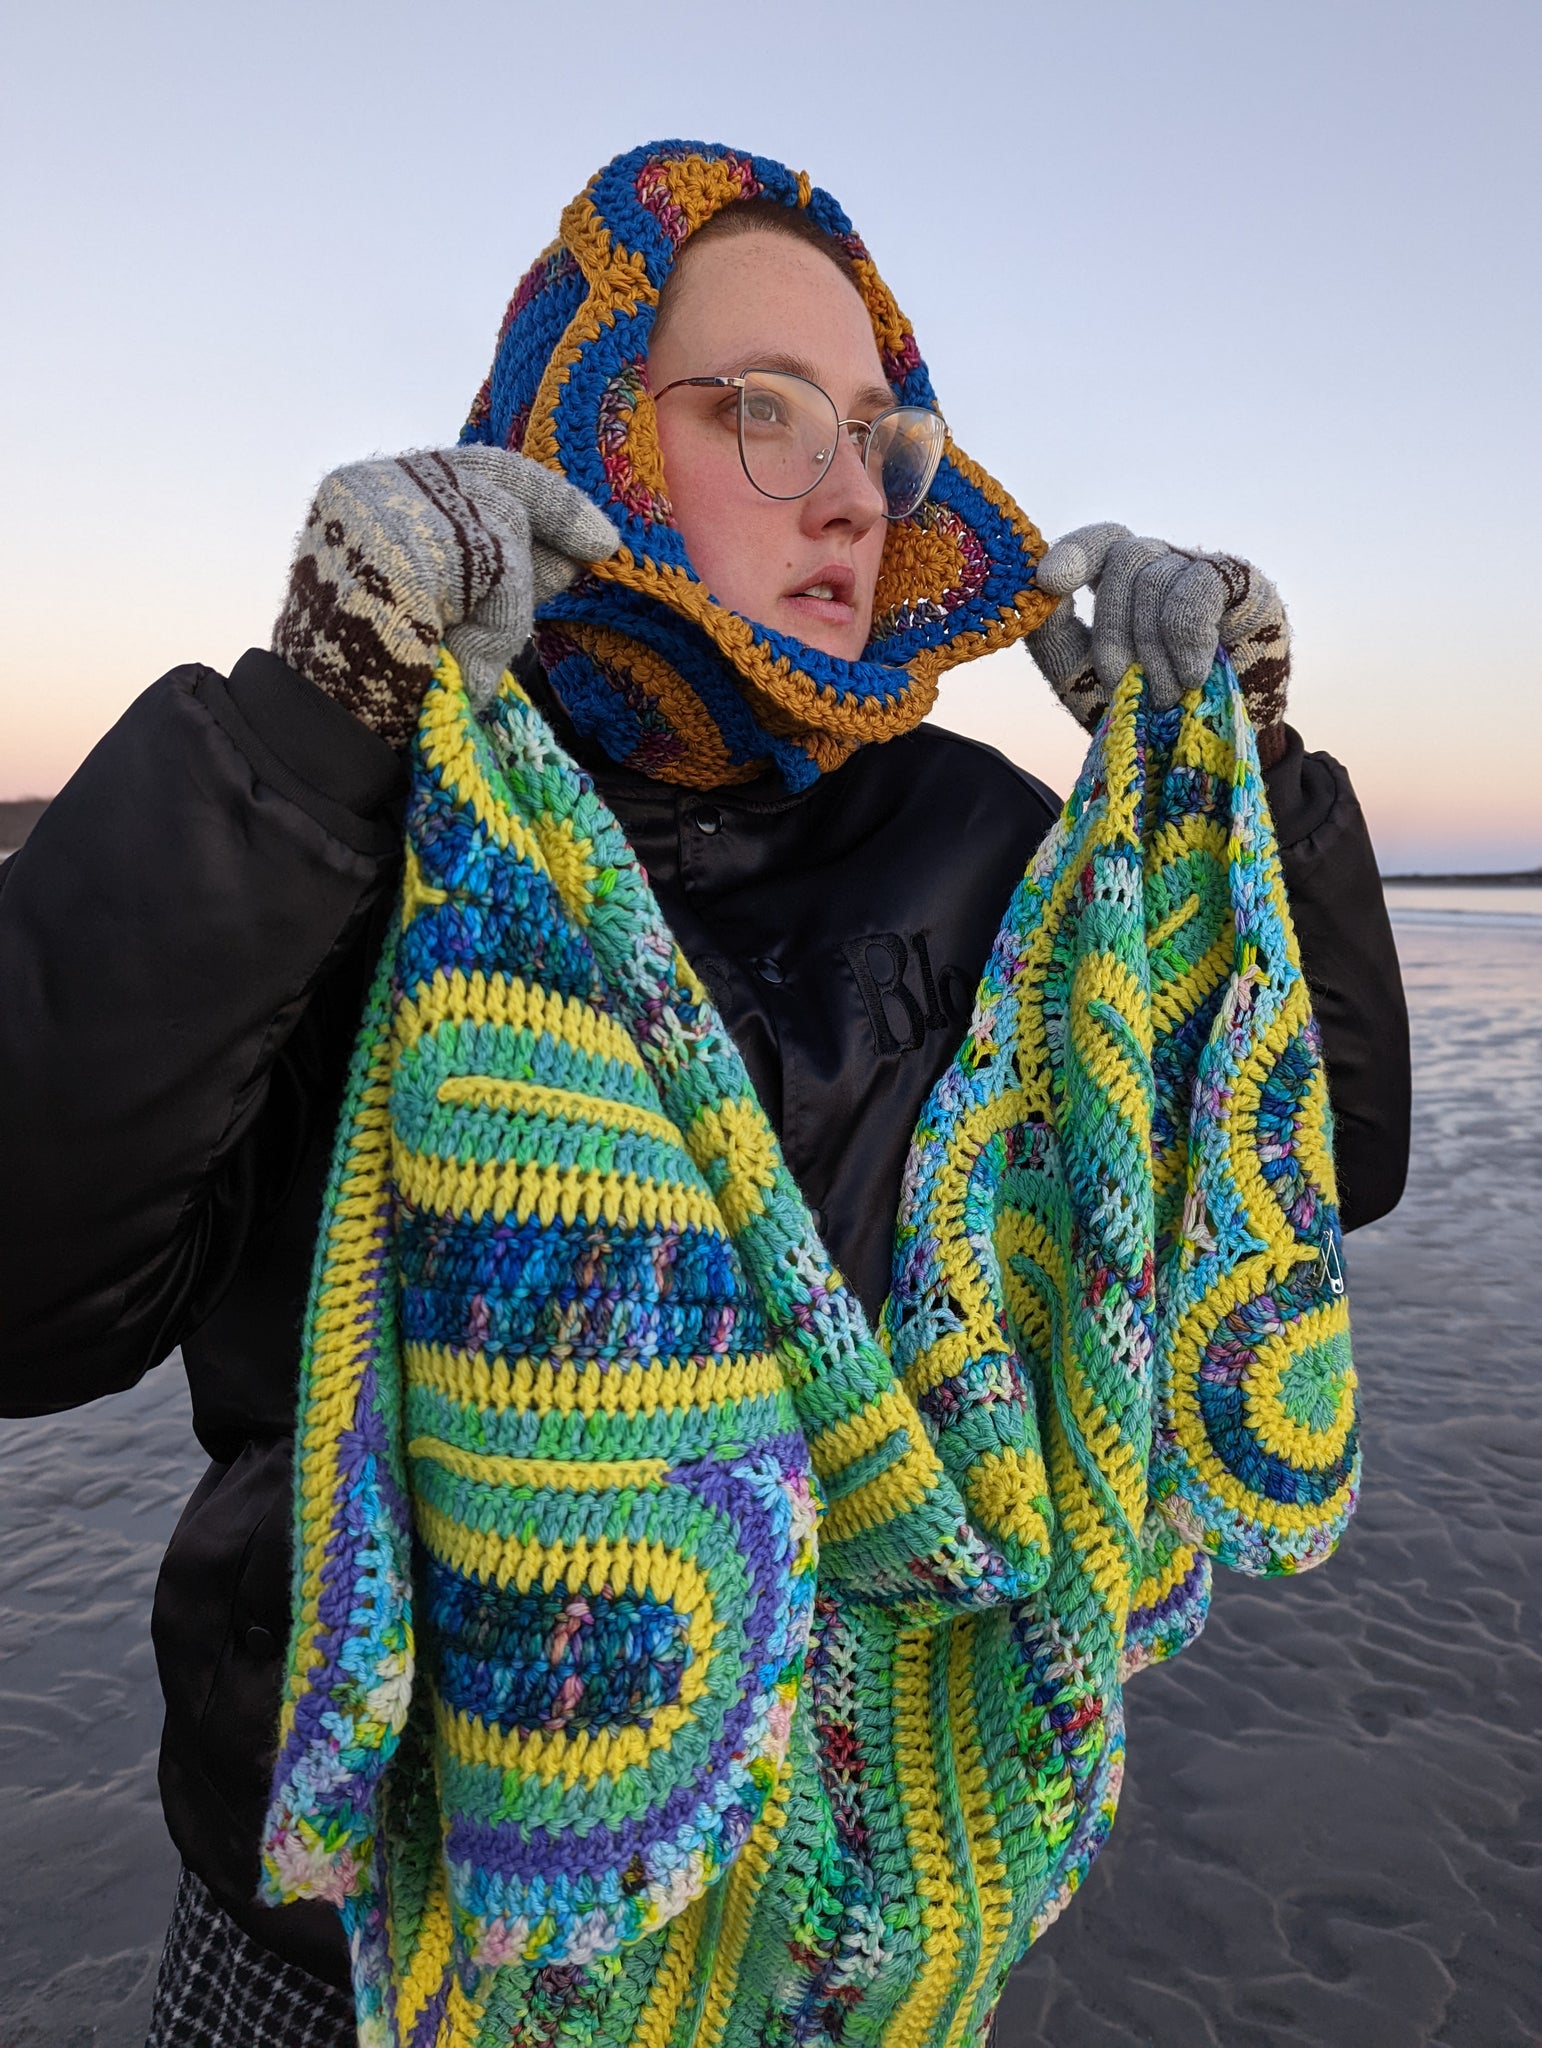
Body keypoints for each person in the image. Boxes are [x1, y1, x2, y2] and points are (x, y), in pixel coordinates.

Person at [0, 141, 1409, 2046]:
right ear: (576, 429)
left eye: (881, 441)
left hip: (847, 1914)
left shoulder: (979, 847)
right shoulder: (356, 815)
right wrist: (306, 716)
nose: (850, 497)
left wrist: (1246, 776)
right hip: (340, 1933)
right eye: (765, 414)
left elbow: (1320, 1155)